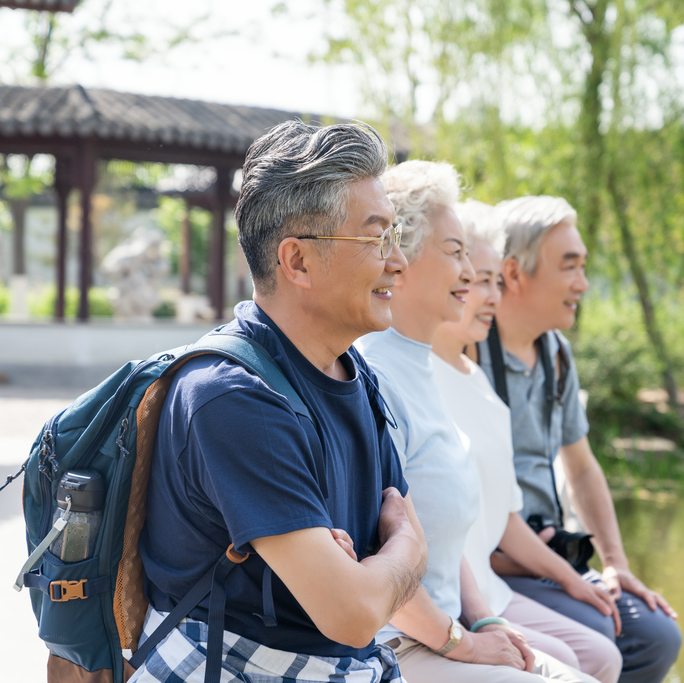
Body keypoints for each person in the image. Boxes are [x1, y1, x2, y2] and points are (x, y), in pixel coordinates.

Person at [132, 120, 427, 683]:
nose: (398, 262)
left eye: (396, 237)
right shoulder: (232, 398)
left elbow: (368, 591)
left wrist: (380, 568)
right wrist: (407, 549)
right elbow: (355, 612)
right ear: (297, 261)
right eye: (377, 238)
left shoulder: (353, 372)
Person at [357, 161, 595, 683]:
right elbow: (375, 561)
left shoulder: (421, 368)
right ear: (402, 257)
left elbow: (440, 541)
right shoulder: (374, 374)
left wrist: (484, 616)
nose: (469, 274)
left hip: (446, 626)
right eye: (455, 253)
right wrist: (465, 643)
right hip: (397, 644)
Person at [475, 196, 682, 683]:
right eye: (570, 267)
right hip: (493, 561)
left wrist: (615, 564)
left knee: (657, 635)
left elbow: (582, 466)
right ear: (514, 271)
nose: (582, 284)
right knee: (603, 632)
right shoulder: (467, 349)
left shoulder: (556, 353)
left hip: (549, 553)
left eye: (584, 267)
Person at [430, 199, 623, 683]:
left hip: (507, 567)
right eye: (477, 279)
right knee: (591, 651)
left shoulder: (501, 375)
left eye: (492, 281)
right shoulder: (431, 370)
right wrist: (470, 632)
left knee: (623, 641)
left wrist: (598, 569)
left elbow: (571, 471)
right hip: (465, 585)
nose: (487, 295)